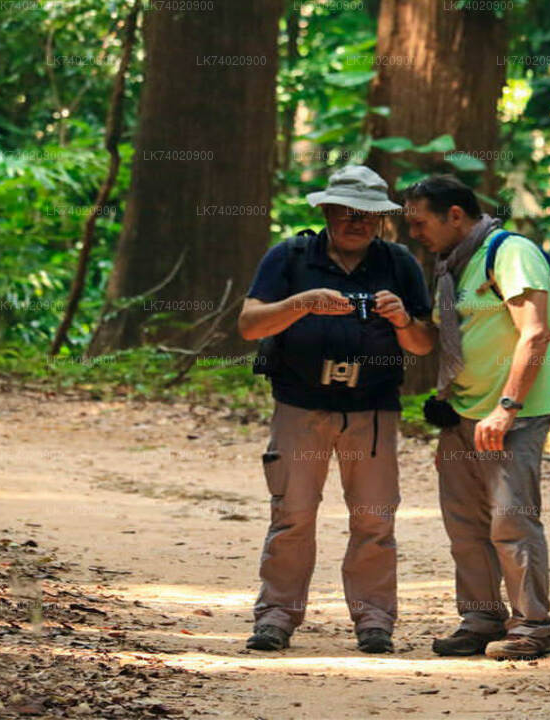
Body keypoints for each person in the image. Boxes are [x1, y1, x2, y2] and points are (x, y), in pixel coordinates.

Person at [237, 165, 433, 654]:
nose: (356, 221)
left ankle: (374, 622)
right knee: (293, 515)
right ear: (325, 210)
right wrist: (301, 303)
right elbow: (248, 325)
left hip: (373, 410)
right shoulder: (290, 257)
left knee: (374, 519)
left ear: (381, 219)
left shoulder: (399, 263)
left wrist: (403, 319)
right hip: (299, 404)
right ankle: (276, 617)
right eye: (346, 212)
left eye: (367, 214)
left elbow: (425, 343)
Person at [403, 175, 550, 660]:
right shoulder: (452, 264)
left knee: (510, 519)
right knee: (463, 522)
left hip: (515, 409)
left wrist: (507, 407)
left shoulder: (510, 252)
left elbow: (535, 334)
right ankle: (480, 619)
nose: (414, 233)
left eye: (420, 222)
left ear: (455, 215)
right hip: (462, 409)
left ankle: (533, 626)